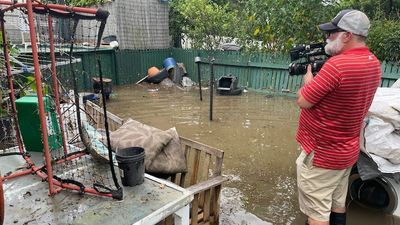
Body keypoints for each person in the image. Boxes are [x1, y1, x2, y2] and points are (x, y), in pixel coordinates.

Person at [295, 9, 382, 225]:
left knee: (317, 213)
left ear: (347, 35)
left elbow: (304, 100)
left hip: (323, 154)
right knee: (337, 202)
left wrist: (308, 80)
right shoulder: (374, 63)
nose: (328, 38)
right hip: (346, 152)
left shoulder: (336, 66)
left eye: (332, 33)